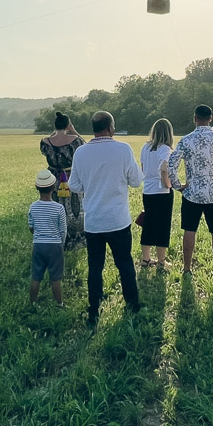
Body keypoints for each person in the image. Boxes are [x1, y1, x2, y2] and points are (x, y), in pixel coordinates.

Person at [68, 111, 143, 327]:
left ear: (93, 128)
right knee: (124, 262)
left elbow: (74, 185)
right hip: (118, 219)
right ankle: (132, 303)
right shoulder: (123, 149)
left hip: (93, 220)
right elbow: (136, 181)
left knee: (95, 266)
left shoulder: (81, 152)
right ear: (111, 127)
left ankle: (94, 308)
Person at [166, 104, 213, 275]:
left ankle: (187, 268)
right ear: (210, 118)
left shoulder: (186, 140)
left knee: (189, 230)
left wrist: (178, 185)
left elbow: (171, 164)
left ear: (195, 118)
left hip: (192, 193)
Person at [40, 112, 85, 247]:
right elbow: (85, 147)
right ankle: (76, 238)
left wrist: (55, 133)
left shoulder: (45, 142)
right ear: (68, 125)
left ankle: (56, 237)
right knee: (74, 207)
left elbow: (45, 151)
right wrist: (73, 130)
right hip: (71, 176)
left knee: (55, 206)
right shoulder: (75, 140)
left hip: (53, 178)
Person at [138, 118, 175, 270]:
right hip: (162, 191)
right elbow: (164, 168)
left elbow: (142, 168)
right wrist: (168, 184)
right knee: (163, 226)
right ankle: (161, 261)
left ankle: (146, 259)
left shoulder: (145, 147)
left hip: (148, 190)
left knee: (148, 224)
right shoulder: (165, 149)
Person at [27, 170, 67, 306]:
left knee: (36, 276)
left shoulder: (33, 207)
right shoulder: (59, 208)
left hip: (38, 245)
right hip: (55, 245)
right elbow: (63, 230)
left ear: (37, 188)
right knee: (55, 277)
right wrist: (61, 244)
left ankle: (33, 303)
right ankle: (59, 303)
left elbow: (31, 227)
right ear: (53, 188)